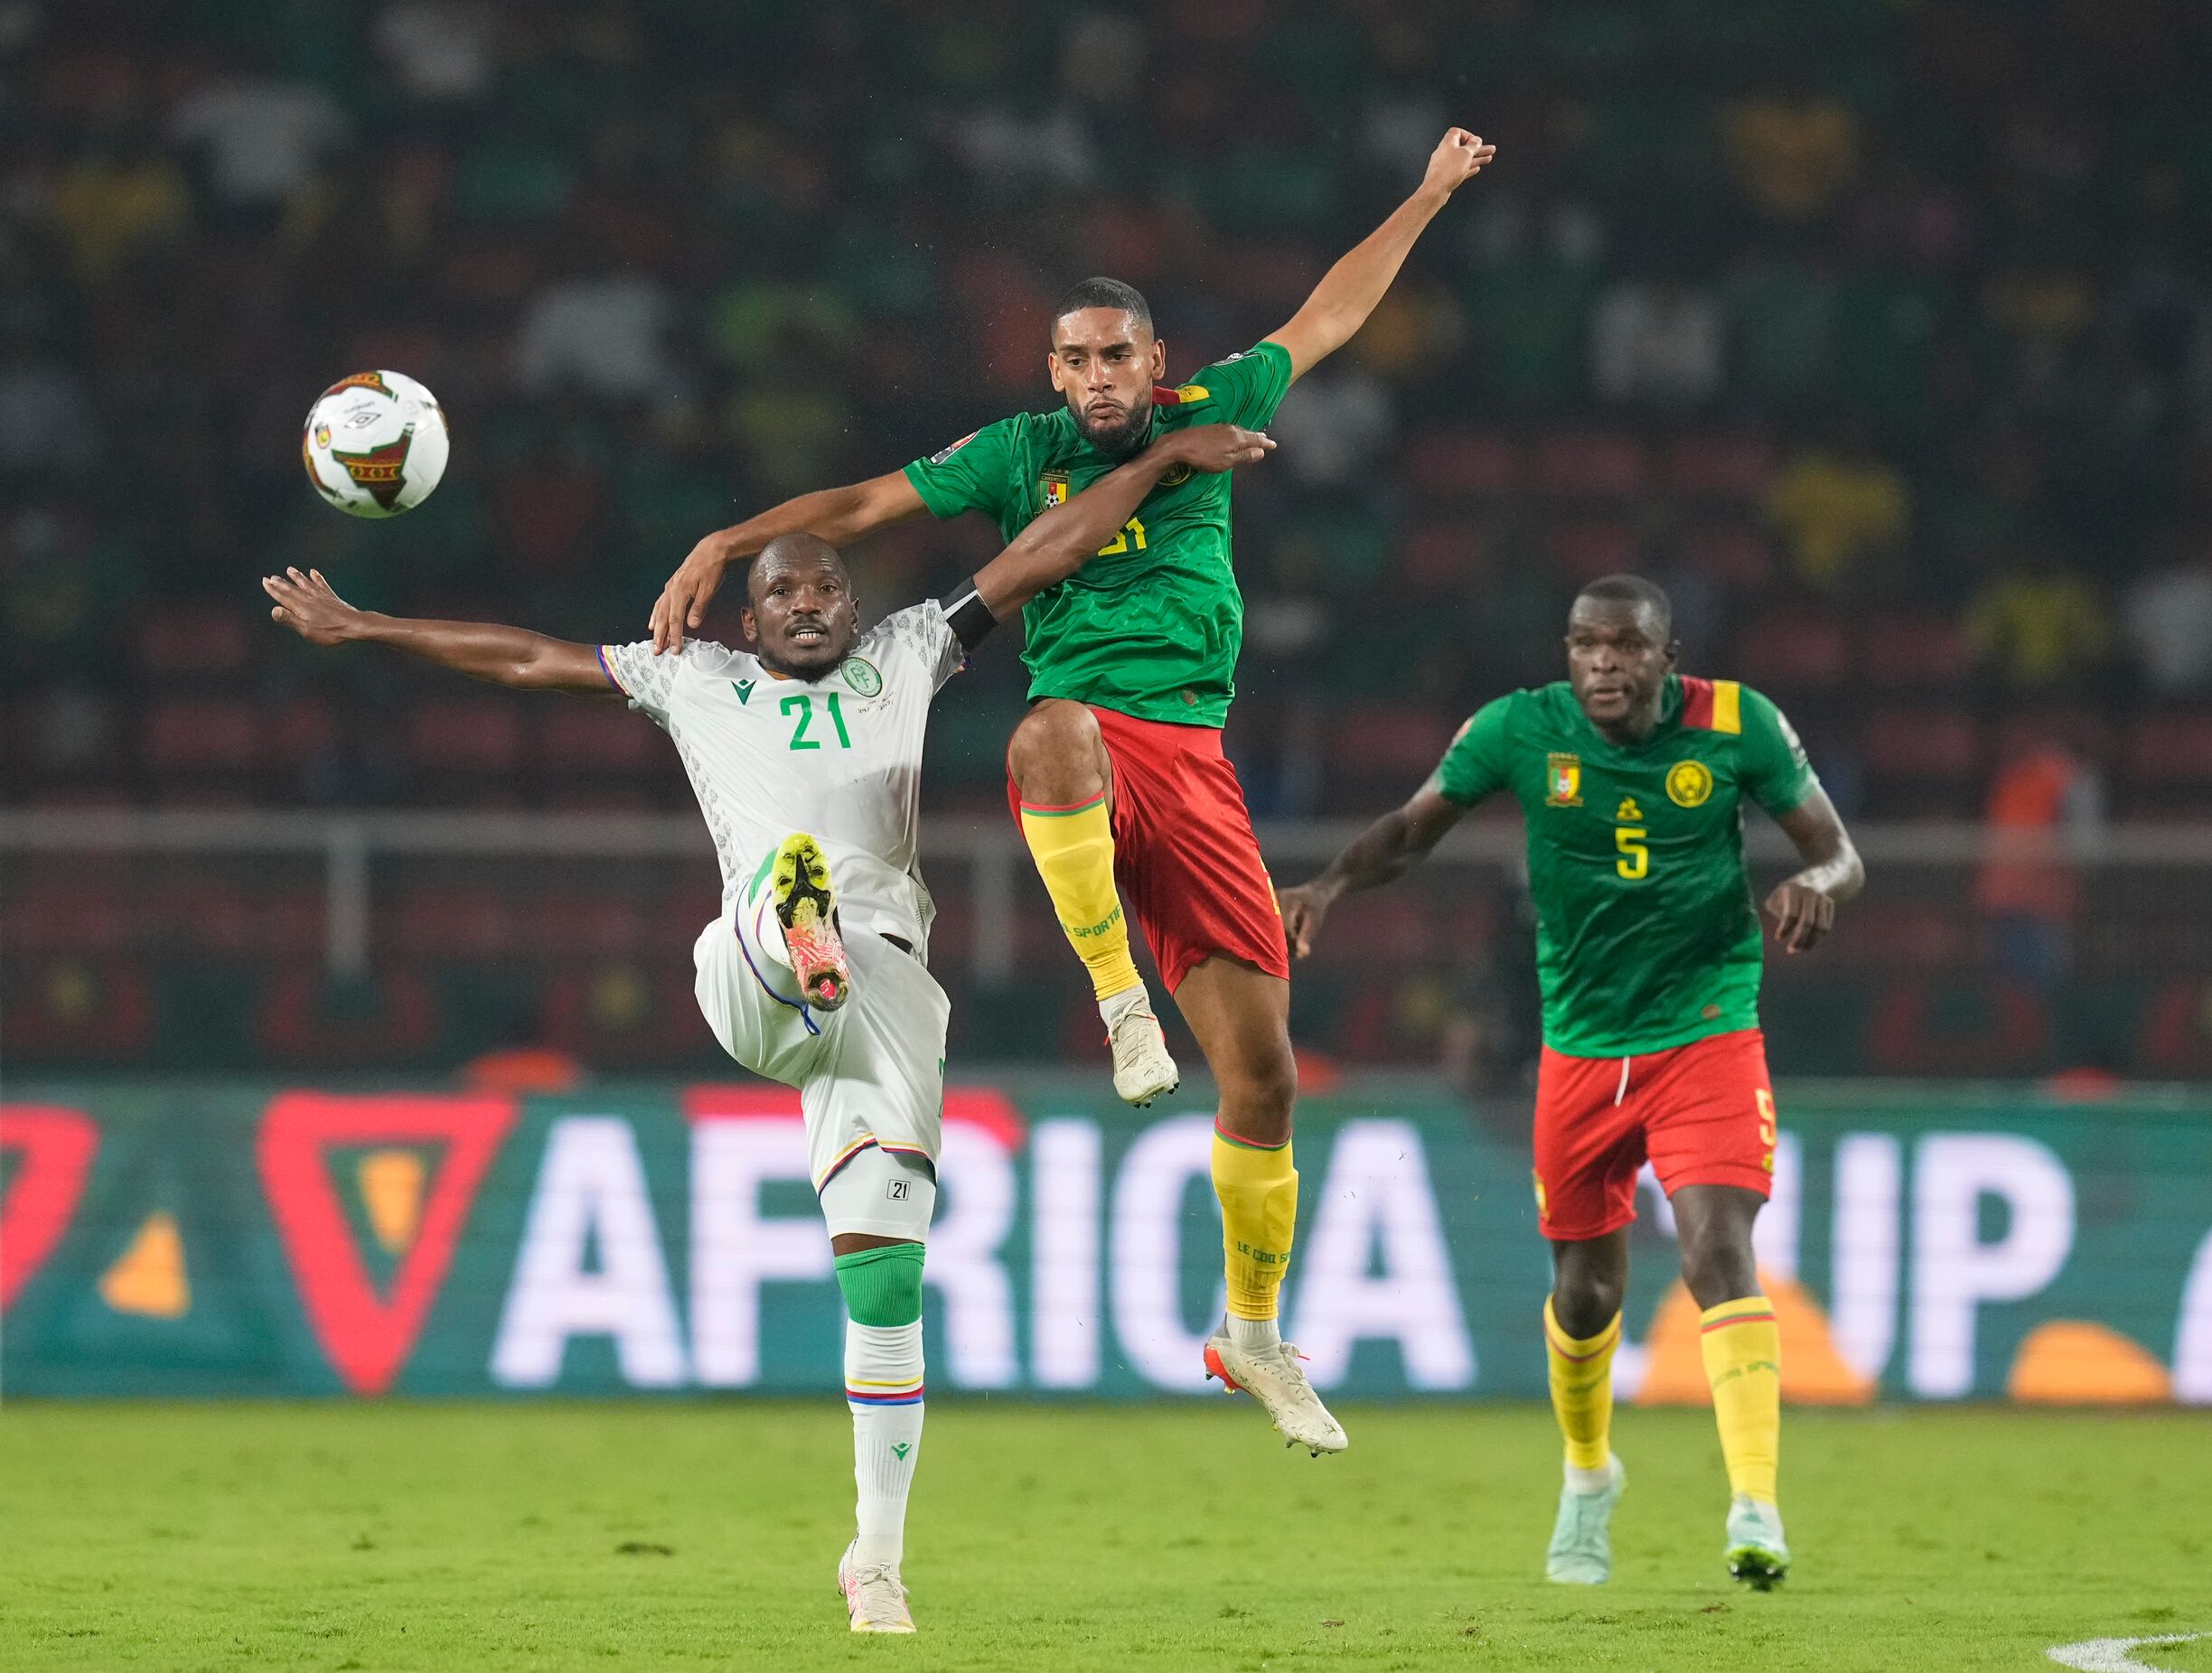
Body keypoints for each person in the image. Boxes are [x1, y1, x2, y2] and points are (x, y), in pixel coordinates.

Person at [264, 422, 1274, 1636]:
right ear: (746, 621)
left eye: (826, 585)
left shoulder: (910, 654)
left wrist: (1160, 469)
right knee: (786, 884)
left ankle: (877, 1563)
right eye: (780, 589)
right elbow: (530, 661)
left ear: (855, 604)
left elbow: (1044, 552)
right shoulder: (698, 680)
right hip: (755, 965)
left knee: (889, 1283)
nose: (806, 601)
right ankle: (797, 935)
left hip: (887, 997)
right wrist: (370, 629)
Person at [647, 127, 1497, 1454]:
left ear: (1156, 365)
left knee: (1265, 1078)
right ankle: (1118, 1006)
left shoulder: (1218, 403)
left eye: (1118, 356)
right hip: (1090, 743)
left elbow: (1329, 312)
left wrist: (1429, 195)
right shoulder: (1017, 451)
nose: (1098, 376)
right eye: (1077, 358)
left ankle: (1254, 1336)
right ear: (1053, 370)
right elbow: (867, 505)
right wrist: (726, 539)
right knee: (1047, 730)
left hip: (1197, 765)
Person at [1277, 575, 1864, 1590]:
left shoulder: (1739, 723)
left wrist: (1815, 883)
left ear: (1666, 657)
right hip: (1582, 1049)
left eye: (1626, 646)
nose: (1603, 663)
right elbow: (1416, 827)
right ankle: (1589, 1472)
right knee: (1585, 1292)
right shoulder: (1518, 728)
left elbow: (1837, 852)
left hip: (1705, 1031)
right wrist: (1326, 885)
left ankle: (1754, 1500)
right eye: (1585, 644)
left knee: (1716, 1248)